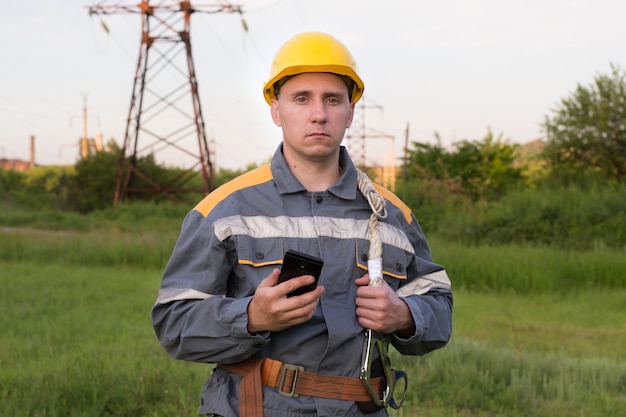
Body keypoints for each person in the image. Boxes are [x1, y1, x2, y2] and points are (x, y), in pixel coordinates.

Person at [151, 31, 453, 417]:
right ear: (276, 110)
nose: (319, 114)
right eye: (301, 98)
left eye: (333, 99)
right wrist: (250, 318)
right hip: (255, 408)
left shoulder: (392, 214)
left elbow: (439, 306)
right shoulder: (224, 210)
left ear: (351, 111)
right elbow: (174, 323)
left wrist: (406, 316)